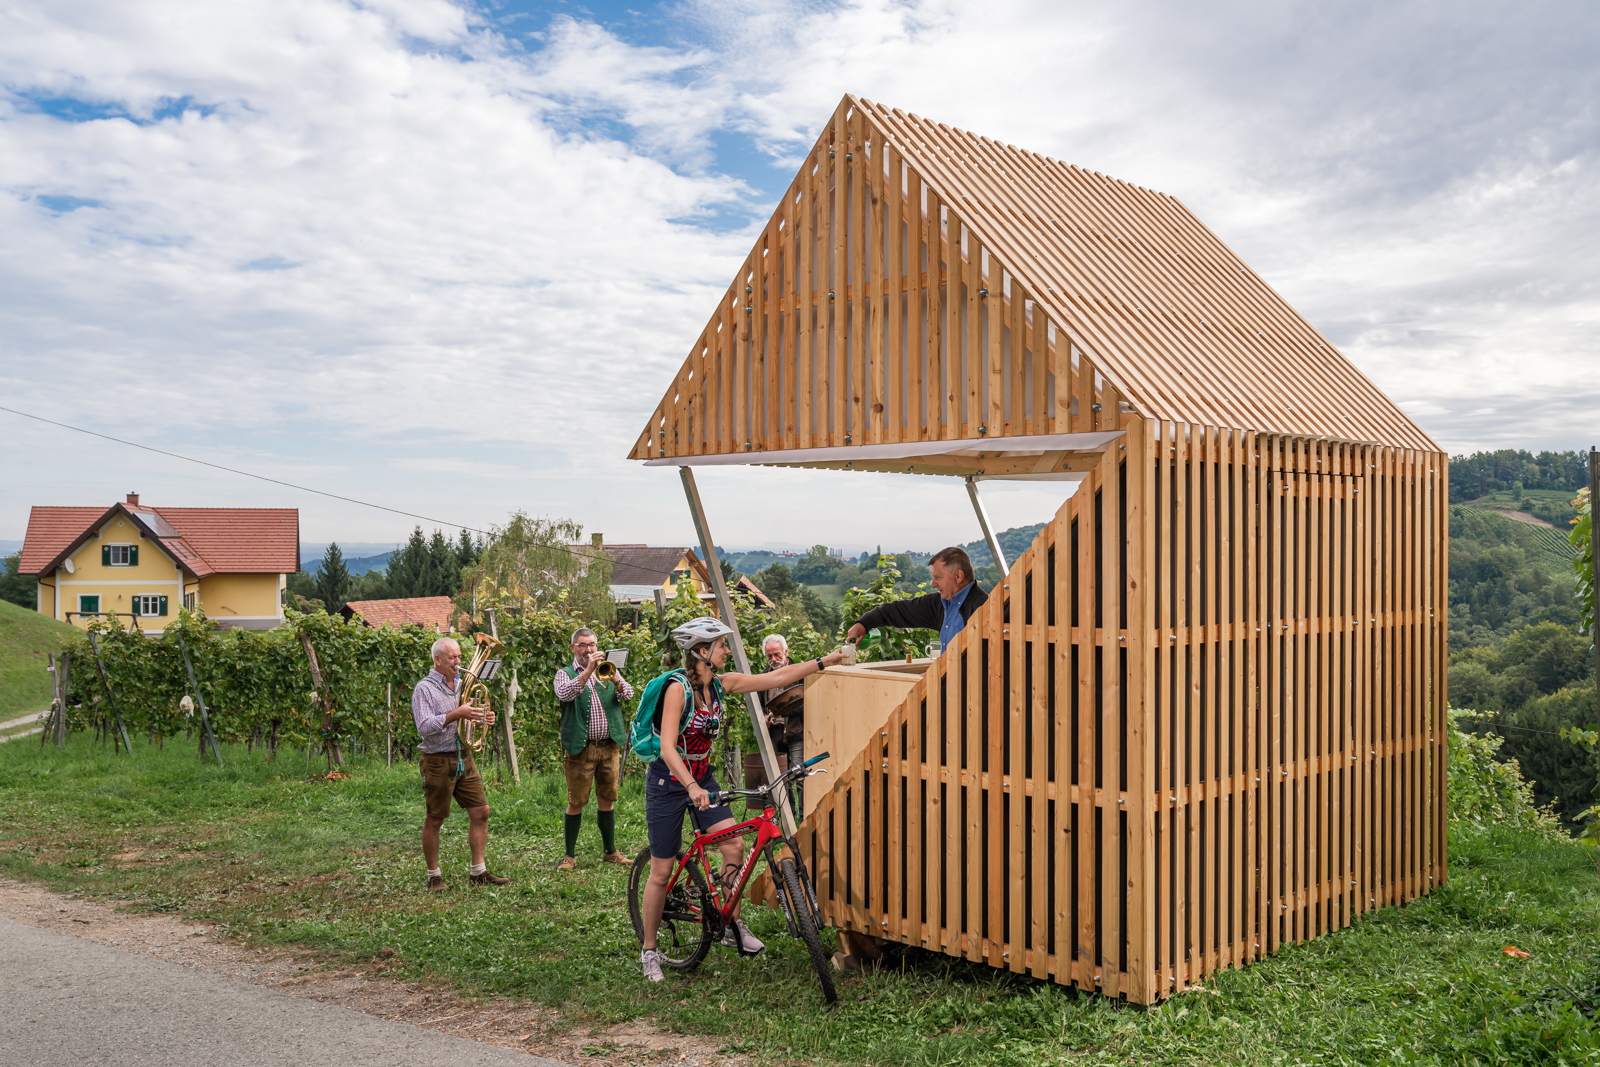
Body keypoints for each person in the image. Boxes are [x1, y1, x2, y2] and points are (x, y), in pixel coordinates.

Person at [638, 617, 846, 983]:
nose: (725, 651)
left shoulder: (719, 684)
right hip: (669, 782)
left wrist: (823, 663)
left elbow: (775, 679)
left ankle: (731, 923)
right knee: (661, 871)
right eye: (720, 645)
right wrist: (689, 787)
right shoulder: (678, 690)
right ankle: (650, 951)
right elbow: (668, 747)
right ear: (702, 652)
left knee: (734, 846)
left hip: (702, 775)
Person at [412, 636, 511, 891]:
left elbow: (465, 721)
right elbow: (424, 727)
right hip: (436, 760)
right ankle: (434, 876)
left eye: (459, 657)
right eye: (452, 658)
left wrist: (481, 719)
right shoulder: (424, 688)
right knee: (435, 818)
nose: (458, 662)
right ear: (437, 660)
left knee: (481, 811)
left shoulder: (462, 684)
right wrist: (458, 713)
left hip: (462, 756)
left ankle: (478, 871)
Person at [553, 627, 634, 870]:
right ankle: (569, 855)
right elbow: (564, 694)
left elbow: (628, 695)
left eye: (592, 645)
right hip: (581, 748)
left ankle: (611, 851)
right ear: (573, 648)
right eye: (582, 645)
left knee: (607, 799)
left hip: (609, 746)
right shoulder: (564, 673)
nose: (588, 649)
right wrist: (588, 672)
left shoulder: (607, 670)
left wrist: (616, 678)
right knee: (576, 801)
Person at [846, 546, 989, 652]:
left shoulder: (983, 607)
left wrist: (940, 674)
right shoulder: (939, 603)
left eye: (938, 577)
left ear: (958, 576)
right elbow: (899, 610)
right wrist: (864, 623)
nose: (933, 584)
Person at [759, 634, 807, 812]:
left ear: (786, 652)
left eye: (777, 655)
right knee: (781, 780)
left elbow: (806, 703)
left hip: (797, 733)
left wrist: (778, 712)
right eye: (769, 656)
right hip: (775, 734)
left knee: (801, 778)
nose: (773, 659)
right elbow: (759, 705)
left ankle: (803, 821)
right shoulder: (763, 677)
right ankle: (788, 821)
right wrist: (764, 716)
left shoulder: (800, 672)